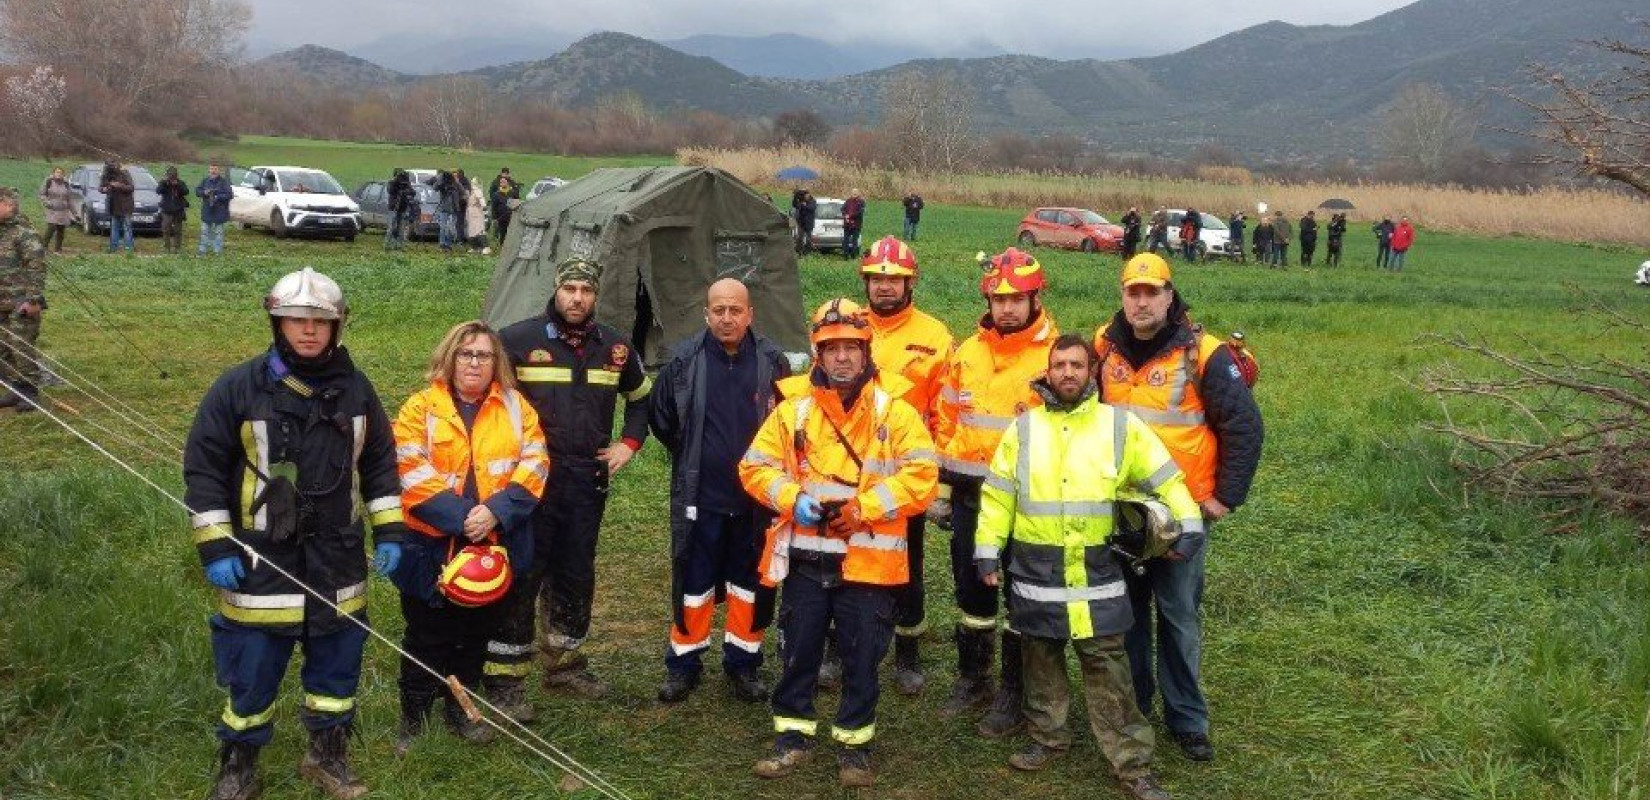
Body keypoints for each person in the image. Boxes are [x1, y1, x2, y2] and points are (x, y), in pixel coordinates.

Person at [182, 267, 408, 800]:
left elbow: (379, 462)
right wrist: (216, 544)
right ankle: (238, 766)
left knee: (337, 667)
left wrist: (390, 531)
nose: (308, 330)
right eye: (295, 320)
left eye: (319, 322)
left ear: (337, 326)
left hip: (338, 557)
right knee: (252, 671)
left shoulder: (357, 389)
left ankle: (327, 757)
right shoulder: (239, 386)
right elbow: (204, 467)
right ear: (276, 323)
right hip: (261, 561)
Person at [976, 333, 1202, 800]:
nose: (1068, 374)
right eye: (1059, 365)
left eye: (1077, 365)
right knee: (1041, 658)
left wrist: (1190, 523)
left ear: (1092, 370)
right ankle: (1047, 738)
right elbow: (998, 496)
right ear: (1047, 370)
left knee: (1107, 664)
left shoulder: (1120, 427)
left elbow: (1168, 478)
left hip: (1097, 575)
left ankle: (1133, 764)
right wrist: (986, 549)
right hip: (1035, 574)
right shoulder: (1023, 429)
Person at [740, 298, 938, 788]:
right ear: (819, 354)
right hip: (807, 558)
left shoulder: (897, 412)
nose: (843, 357)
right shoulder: (793, 413)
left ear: (867, 350)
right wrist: (793, 498)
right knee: (799, 651)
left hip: (868, 563)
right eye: (832, 348)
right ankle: (791, 737)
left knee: (862, 656)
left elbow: (923, 476)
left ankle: (855, 747)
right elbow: (754, 466)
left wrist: (863, 509)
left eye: (852, 346)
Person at [1095, 253, 1263, 763]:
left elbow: (1243, 425)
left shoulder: (1204, 354)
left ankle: (1188, 719)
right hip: (1121, 510)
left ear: (1170, 296)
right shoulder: (1104, 345)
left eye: (1152, 292)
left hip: (1181, 514)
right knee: (1126, 615)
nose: (1142, 301)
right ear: (1123, 297)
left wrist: (1224, 498)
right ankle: (1138, 706)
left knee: (1178, 615)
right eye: (1133, 292)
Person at [491, 257, 652, 714]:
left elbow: (642, 398)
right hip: (531, 480)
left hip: (587, 478)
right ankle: (506, 677)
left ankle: (565, 664)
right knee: (524, 570)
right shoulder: (517, 340)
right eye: (570, 289)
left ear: (595, 295)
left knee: (576, 570)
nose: (577, 298)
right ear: (556, 291)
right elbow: (487, 403)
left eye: (585, 290)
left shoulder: (616, 348)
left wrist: (629, 443)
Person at [390, 320, 548, 752]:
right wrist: (463, 518)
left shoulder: (518, 409)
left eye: (483, 355)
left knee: (475, 633)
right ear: (449, 358)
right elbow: (409, 470)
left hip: (494, 546)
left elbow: (534, 467)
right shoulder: (419, 408)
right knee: (427, 632)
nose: (475, 362)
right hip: (431, 545)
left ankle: (460, 708)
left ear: (497, 362)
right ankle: (415, 717)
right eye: (466, 353)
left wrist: (496, 513)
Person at [931, 247, 1058, 738]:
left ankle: (1014, 691)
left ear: (1034, 299)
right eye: (998, 297)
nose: (1006, 307)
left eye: (1016, 299)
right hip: (969, 498)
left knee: (1021, 596)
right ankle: (973, 678)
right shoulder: (967, 352)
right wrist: (942, 491)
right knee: (971, 592)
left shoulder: (1053, 357)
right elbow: (946, 425)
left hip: (1028, 502)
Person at [650, 278, 791, 704]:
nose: (726, 318)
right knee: (693, 584)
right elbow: (663, 418)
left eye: (735, 310)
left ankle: (744, 663)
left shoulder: (773, 363)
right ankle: (684, 663)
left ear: (750, 314)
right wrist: (695, 453)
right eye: (718, 311)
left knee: (751, 584)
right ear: (706, 314)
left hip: (755, 502)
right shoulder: (684, 360)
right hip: (701, 498)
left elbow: (790, 425)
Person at [860, 236, 954, 695]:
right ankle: (841, 646)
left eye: (894, 280)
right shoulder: (846, 324)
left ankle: (908, 654)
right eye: (877, 279)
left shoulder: (935, 337)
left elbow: (943, 414)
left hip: (904, 476)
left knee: (907, 566)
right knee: (843, 558)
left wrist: (930, 481)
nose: (884, 288)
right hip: (845, 470)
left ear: (910, 282)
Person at [0, 187, 48, 412]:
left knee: (21, 345)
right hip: (2, 301)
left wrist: (33, 299)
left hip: (21, 302)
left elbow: (36, 267)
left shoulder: (22, 232)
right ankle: (15, 387)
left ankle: (30, 392)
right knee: (5, 347)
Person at [196, 163, 233, 256]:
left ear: (218, 170)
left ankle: (218, 252)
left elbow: (230, 195)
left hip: (220, 211)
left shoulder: (224, 182)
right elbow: (197, 191)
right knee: (204, 232)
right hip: (207, 211)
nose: (213, 171)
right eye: (211, 169)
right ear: (209, 170)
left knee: (219, 233)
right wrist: (204, 192)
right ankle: (202, 251)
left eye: (215, 169)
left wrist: (218, 196)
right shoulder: (205, 181)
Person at [99, 160, 135, 254]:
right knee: (114, 227)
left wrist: (119, 185)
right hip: (113, 205)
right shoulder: (106, 175)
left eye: (114, 166)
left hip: (125, 205)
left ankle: (129, 248)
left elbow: (131, 188)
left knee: (127, 227)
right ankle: (113, 248)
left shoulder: (125, 173)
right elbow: (100, 188)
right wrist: (105, 189)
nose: (112, 168)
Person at [37, 167, 74, 253]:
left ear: (63, 174)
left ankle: (58, 249)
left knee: (61, 230)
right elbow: (42, 194)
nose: (58, 174)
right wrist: (47, 203)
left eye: (60, 173)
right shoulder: (49, 182)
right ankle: (44, 247)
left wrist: (74, 213)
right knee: (51, 227)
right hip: (52, 209)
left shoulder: (66, 184)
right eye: (57, 172)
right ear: (53, 173)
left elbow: (70, 199)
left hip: (63, 210)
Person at [426, 170, 463, 253]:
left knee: (451, 228)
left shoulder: (455, 184)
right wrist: (440, 181)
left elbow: (462, 192)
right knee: (443, 227)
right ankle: (442, 244)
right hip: (444, 208)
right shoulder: (442, 183)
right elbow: (435, 188)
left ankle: (448, 244)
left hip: (454, 209)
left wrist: (456, 184)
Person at [158, 166, 190, 255]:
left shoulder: (180, 183)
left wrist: (177, 185)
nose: (171, 177)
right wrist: (165, 183)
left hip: (178, 210)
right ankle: (166, 248)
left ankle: (177, 248)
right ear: (167, 175)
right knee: (166, 230)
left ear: (176, 175)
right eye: (170, 175)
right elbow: (158, 191)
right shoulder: (164, 183)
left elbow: (186, 191)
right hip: (166, 210)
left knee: (178, 230)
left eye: (173, 175)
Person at [489, 168, 520, 244]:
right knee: (502, 233)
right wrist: (494, 217)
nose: (502, 183)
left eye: (504, 182)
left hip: (511, 216)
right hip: (501, 217)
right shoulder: (496, 194)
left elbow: (517, 201)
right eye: (501, 182)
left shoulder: (512, 192)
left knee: (510, 233)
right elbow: (494, 206)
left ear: (507, 183)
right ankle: (501, 246)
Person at [464, 174, 488, 254]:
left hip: (477, 213)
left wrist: (485, 210)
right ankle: (474, 247)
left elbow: (482, 201)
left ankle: (485, 247)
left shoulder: (477, 191)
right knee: (471, 231)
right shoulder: (469, 192)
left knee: (479, 230)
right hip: (470, 213)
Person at [841, 189, 865, 259]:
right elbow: (842, 209)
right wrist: (845, 215)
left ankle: (853, 256)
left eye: (855, 193)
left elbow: (860, 212)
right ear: (851, 193)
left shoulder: (861, 202)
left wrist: (850, 216)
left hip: (856, 225)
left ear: (858, 194)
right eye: (853, 193)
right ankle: (845, 255)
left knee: (855, 241)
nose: (854, 194)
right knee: (845, 241)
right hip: (847, 225)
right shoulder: (848, 201)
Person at [792, 189, 817, 256]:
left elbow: (811, 208)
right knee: (800, 238)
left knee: (808, 238)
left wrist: (804, 205)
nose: (805, 196)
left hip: (808, 223)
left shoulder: (812, 201)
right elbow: (795, 205)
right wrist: (795, 196)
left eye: (806, 195)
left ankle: (807, 252)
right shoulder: (801, 201)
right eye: (804, 195)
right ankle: (799, 251)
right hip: (801, 223)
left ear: (809, 195)